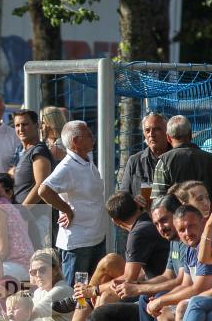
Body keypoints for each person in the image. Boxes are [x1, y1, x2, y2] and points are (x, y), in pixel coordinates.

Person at [30, 191, 169, 321]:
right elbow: (140, 274)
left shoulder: (139, 233)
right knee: (109, 262)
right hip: (151, 283)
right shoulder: (145, 224)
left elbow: (130, 279)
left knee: (103, 300)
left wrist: (94, 291)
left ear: (115, 222)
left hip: (156, 289)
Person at [37, 120, 108, 285]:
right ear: (76, 142)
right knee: (75, 294)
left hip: (96, 237)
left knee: (91, 291)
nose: (93, 137)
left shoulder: (86, 159)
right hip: (78, 244)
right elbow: (44, 190)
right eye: (88, 135)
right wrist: (67, 210)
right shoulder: (67, 167)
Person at [151, 115, 212, 202]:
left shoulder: (164, 161)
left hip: (178, 214)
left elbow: (158, 200)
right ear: (190, 134)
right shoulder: (211, 159)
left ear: (168, 137)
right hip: (210, 213)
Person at [119, 112, 171, 205]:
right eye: (147, 130)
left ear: (167, 132)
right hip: (143, 216)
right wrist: (133, 200)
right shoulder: (134, 161)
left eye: (157, 129)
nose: (151, 134)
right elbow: (123, 195)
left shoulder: (176, 158)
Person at [9, 109, 54, 206]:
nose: (21, 129)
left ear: (36, 126)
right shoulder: (24, 151)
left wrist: (23, 211)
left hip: (35, 216)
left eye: (25, 124)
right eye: (17, 125)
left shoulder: (38, 151)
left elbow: (41, 185)